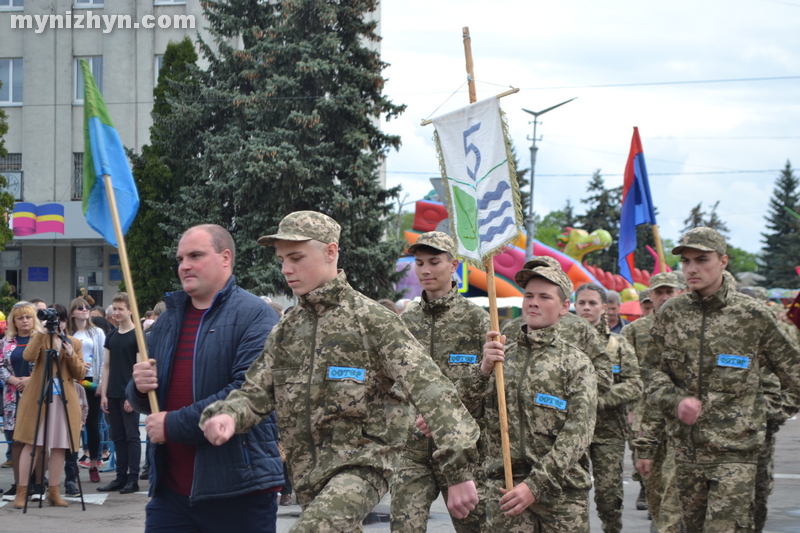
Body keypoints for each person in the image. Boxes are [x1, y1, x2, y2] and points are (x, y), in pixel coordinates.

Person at [199, 211, 480, 532]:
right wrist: (229, 415)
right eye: (281, 260)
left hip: (363, 467)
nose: (286, 269)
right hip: (308, 476)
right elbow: (256, 393)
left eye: (296, 257)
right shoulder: (287, 329)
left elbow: (434, 392)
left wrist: (458, 472)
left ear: (331, 252)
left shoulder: (372, 321)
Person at [127, 224, 283, 533]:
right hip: (171, 495)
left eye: (195, 256)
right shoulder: (169, 319)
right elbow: (143, 398)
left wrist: (171, 425)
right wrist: (140, 387)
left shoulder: (255, 315)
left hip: (239, 493)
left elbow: (245, 391)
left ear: (225, 258)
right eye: (181, 258)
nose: (184, 265)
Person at [643, 227, 800, 532]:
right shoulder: (671, 313)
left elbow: (795, 374)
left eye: (702, 259)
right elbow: (650, 371)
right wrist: (676, 402)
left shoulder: (751, 315)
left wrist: (764, 416)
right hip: (687, 453)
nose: (692, 268)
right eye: (686, 261)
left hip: (736, 455)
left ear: (723, 261)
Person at [462, 257, 597, 532]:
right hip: (505, 490)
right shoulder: (500, 355)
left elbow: (577, 434)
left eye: (545, 297)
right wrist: (483, 369)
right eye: (529, 295)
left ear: (564, 308)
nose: (533, 302)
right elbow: (463, 411)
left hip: (561, 495)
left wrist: (535, 486)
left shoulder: (576, 363)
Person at [390, 231, 490, 533]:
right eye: (419, 263)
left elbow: (490, 389)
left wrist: (441, 416)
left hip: (463, 450)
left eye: (434, 262)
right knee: (403, 527)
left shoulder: (478, 321)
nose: (425, 270)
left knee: (476, 527)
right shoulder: (406, 321)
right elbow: (397, 382)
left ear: (454, 265)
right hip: (414, 450)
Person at [575, 283, 642, 533]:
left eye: (592, 303)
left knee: (608, 495)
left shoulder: (618, 345)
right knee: (572, 496)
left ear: (604, 308)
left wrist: (596, 401)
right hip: (570, 432)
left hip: (608, 431)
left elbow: (635, 384)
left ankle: (612, 528)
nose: (586, 308)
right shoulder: (560, 342)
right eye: (581, 302)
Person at [624, 273, 684, 532]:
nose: (665, 297)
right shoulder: (636, 331)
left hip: (685, 425)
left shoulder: (692, 328)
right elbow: (630, 375)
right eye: (660, 292)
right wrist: (633, 410)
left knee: (677, 496)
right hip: (649, 416)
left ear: (681, 293)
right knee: (655, 489)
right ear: (651, 296)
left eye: (670, 291)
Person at [14, 305, 86, 508]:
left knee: (59, 446)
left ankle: (53, 491)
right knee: (33, 444)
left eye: (62, 320)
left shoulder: (74, 343)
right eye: (55, 320)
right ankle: (22, 491)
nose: (58, 324)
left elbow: (80, 374)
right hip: (39, 397)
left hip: (63, 400)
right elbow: (28, 356)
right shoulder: (40, 338)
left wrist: (70, 353)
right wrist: (42, 333)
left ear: (66, 322)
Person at [98, 292, 141, 494]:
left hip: (129, 394)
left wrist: (133, 395)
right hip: (112, 393)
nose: (116, 313)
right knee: (118, 437)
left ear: (130, 310)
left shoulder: (137, 336)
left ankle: (133, 478)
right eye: (114, 309)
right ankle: (120, 477)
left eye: (120, 309)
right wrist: (104, 393)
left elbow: (139, 367)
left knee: (132, 436)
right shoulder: (111, 336)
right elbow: (106, 366)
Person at [0, 302, 42, 501]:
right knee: (16, 441)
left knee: (37, 441)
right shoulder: (6, 341)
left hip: (37, 394)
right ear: (14, 321)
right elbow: (0, 365)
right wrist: (13, 380)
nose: (25, 321)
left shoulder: (42, 338)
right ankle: (20, 484)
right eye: (20, 318)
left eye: (28, 317)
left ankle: (38, 483)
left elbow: (48, 365)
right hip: (12, 395)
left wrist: (31, 379)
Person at [67, 297, 106, 484]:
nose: (84, 310)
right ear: (72, 312)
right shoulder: (67, 333)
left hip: (91, 381)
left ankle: (93, 464)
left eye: (87, 307)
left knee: (93, 425)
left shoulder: (96, 332)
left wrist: (101, 383)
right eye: (80, 308)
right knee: (73, 425)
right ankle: (72, 465)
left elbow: (104, 359)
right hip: (72, 381)